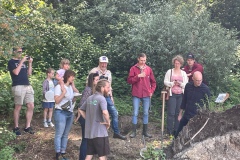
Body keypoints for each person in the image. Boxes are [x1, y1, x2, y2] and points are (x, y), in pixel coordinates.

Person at [88, 56, 126, 140]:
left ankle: (116, 132)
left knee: (114, 112)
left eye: (105, 63)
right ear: (99, 62)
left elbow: (109, 86)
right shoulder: (94, 71)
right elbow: (89, 83)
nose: (103, 65)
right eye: (102, 63)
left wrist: (111, 96)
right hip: (97, 96)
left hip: (107, 96)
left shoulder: (108, 73)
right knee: (98, 114)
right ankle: (97, 132)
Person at [79, 79, 111, 160]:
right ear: (102, 88)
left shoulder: (90, 98)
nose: (109, 89)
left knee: (89, 155)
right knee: (102, 156)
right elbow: (105, 112)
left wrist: (88, 118)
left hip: (90, 133)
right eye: (108, 87)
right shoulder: (101, 98)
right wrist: (108, 122)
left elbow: (80, 109)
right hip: (100, 132)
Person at [127, 53, 156, 138]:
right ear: (138, 59)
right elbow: (129, 80)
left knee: (146, 113)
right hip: (136, 94)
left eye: (144, 60)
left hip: (146, 94)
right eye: (141, 60)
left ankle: (145, 132)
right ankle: (134, 132)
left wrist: (151, 91)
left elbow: (153, 82)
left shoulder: (149, 69)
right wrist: (138, 76)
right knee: (135, 112)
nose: (143, 62)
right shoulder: (133, 68)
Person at [175, 71, 210, 138]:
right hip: (187, 114)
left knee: (192, 136)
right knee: (178, 134)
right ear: (193, 78)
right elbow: (184, 100)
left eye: (200, 80)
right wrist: (180, 114)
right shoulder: (188, 86)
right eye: (197, 80)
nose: (199, 82)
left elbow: (207, 105)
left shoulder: (205, 89)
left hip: (197, 117)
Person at [8, 47, 35, 135]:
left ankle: (27, 126)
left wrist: (30, 63)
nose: (20, 53)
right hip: (18, 86)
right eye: (19, 52)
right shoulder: (11, 62)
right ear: (14, 52)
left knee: (31, 105)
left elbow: (29, 74)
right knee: (18, 106)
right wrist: (22, 61)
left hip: (27, 85)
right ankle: (16, 127)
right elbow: (15, 72)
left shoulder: (22, 62)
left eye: (21, 52)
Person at [75, 73, 100, 160]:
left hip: (90, 117)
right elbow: (81, 105)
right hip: (85, 117)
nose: (98, 81)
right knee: (86, 139)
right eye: (97, 80)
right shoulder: (88, 89)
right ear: (92, 80)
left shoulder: (95, 91)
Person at [54, 70, 76, 160]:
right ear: (68, 77)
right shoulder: (58, 87)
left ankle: (63, 152)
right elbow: (57, 101)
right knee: (59, 133)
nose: (73, 78)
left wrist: (75, 97)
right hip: (60, 112)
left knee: (66, 134)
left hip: (69, 112)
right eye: (72, 76)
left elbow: (71, 99)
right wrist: (63, 92)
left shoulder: (70, 87)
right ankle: (58, 153)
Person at [164, 55, 188, 136]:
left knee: (178, 113)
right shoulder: (169, 71)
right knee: (171, 113)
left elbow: (186, 84)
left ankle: (176, 130)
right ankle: (169, 130)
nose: (176, 65)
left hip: (181, 94)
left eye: (178, 63)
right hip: (172, 94)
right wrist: (172, 83)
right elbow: (165, 82)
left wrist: (180, 84)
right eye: (175, 63)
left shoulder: (183, 73)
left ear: (181, 64)